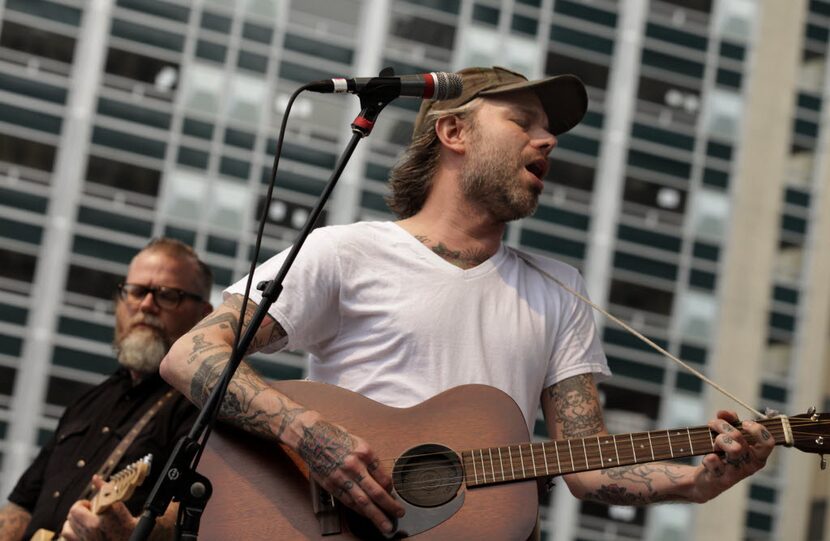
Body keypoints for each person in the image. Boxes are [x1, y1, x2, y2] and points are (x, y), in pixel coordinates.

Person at [159, 67, 775, 536]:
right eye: (524, 122)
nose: (547, 140)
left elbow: (589, 469)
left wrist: (701, 482)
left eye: (550, 129)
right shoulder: (343, 253)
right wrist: (306, 431)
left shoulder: (559, 290)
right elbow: (192, 353)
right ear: (453, 131)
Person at [0, 238, 213, 541]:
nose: (146, 305)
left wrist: (131, 533)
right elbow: (22, 506)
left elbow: (207, 512)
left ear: (204, 315)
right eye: (137, 291)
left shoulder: (204, 404)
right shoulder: (88, 402)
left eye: (167, 295)